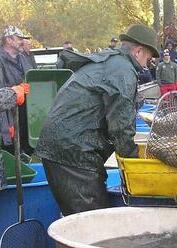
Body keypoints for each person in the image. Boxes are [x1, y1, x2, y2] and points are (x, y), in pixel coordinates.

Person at [35, 24, 159, 216]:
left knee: (78, 218)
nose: (146, 66)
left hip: (64, 147)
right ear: (138, 51)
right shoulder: (123, 70)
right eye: (148, 60)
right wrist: (136, 167)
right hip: (73, 152)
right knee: (92, 222)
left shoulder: (109, 62)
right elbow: (121, 127)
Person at [0, 26, 33, 156]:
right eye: (19, 39)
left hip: (26, 116)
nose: (23, 42)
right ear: (9, 40)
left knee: (25, 154)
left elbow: (32, 77)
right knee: (9, 155)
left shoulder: (23, 58)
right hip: (7, 118)